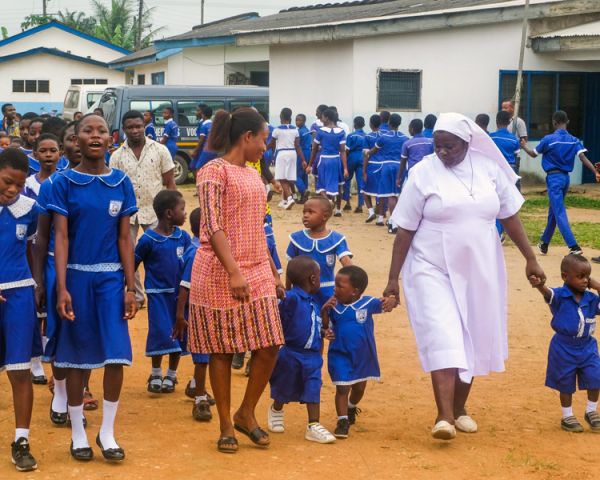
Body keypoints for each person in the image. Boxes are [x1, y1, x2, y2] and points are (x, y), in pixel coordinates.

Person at [384, 112, 545, 441]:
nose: (443, 152)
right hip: (431, 266)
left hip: (479, 267)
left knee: (474, 334)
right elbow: (405, 230)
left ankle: (460, 409)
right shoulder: (422, 172)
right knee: (444, 334)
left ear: (467, 142)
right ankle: (443, 416)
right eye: (438, 146)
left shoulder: (489, 168)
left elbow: (510, 216)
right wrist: (392, 280)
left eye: (450, 147)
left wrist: (531, 258)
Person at [188, 108, 286, 454]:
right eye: (263, 139)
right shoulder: (212, 171)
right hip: (219, 269)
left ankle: (247, 412)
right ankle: (226, 423)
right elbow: (212, 224)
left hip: (256, 265)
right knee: (222, 349)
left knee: (270, 342)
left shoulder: (254, 175)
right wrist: (233, 271)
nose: (265, 146)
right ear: (247, 137)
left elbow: (258, 227)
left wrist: (272, 271)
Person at [48, 113, 138, 462]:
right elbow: (59, 237)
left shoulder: (121, 183)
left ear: (109, 137)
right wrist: (62, 287)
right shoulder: (63, 182)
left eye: (101, 130)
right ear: (77, 138)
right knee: (77, 360)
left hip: (112, 280)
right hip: (76, 276)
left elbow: (124, 238)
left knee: (116, 356)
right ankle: (78, 433)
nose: (95, 135)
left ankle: (107, 432)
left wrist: (131, 286)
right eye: (88, 130)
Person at [109, 110, 177, 309]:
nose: (135, 130)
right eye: (130, 127)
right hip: (126, 213)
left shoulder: (160, 150)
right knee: (129, 255)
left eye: (138, 126)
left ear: (144, 127)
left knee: (162, 253)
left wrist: (172, 211)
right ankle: (138, 297)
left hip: (156, 211)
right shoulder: (116, 156)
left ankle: (164, 293)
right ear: (124, 130)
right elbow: (114, 187)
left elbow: (170, 183)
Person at [0, 148, 41, 472]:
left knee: (19, 370)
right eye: (5, 182)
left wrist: (36, 290)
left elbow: (29, 250)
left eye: (17, 184)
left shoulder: (29, 211)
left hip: (18, 295)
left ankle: (22, 440)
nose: (11, 190)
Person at [267, 256, 336, 444]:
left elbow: (310, 325)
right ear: (313, 279)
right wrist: (282, 291)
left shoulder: (312, 302)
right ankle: (276, 409)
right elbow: (281, 312)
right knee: (284, 386)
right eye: (319, 276)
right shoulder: (293, 299)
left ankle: (313, 425)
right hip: (291, 353)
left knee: (313, 387)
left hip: (312, 356)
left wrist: (322, 332)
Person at [322, 266, 396, 439]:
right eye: (335, 285)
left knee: (359, 388)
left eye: (340, 286)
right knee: (342, 387)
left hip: (363, 355)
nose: (335, 289)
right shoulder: (333, 306)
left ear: (355, 291)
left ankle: (351, 406)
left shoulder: (367, 304)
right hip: (340, 354)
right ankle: (342, 421)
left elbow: (386, 305)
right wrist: (324, 311)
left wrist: (391, 300)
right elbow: (324, 326)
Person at [529, 255, 600, 433]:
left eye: (587, 276)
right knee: (565, 382)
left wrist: (596, 285)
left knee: (595, 377)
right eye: (580, 276)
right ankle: (567, 416)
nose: (585, 280)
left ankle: (591, 411)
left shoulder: (591, 298)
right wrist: (539, 285)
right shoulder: (560, 296)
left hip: (587, 346)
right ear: (565, 276)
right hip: (563, 347)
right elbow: (547, 293)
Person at [520, 110, 600, 256]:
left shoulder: (548, 139)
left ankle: (574, 246)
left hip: (554, 179)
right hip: (565, 179)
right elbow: (582, 158)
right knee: (554, 211)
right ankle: (544, 243)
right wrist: (595, 172)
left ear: (554, 123)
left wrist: (524, 146)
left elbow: (533, 154)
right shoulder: (574, 140)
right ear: (567, 122)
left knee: (559, 212)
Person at [135, 189, 190, 394]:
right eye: (181, 209)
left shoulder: (183, 237)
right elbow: (134, 262)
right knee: (159, 332)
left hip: (180, 296)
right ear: (169, 213)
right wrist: (129, 288)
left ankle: (171, 375)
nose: (185, 213)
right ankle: (156, 372)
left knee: (179, 331)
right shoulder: (148, 239)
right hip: (158, 294)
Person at [175, 207, 215, 421]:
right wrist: (181, 316)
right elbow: (185, 286)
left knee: (205, 355)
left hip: (204, 308)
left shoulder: (197, 246)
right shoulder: (198, 251)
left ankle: (194, 385)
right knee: (202, 358)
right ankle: (199, 399)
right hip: (196, 311)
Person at [286, 197, 353, 308]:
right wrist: (288, 291)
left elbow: (348, 265)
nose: (305, 215)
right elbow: (290, 268)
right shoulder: (296, 239)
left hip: (328, 293)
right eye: (304, 212)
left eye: (311, 212)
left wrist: (348, 289)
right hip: (301, 293)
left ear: (325, 216)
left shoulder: (336, 239)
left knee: (328, 322)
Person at [369, 113, 408, 234]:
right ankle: (393, 220)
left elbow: (374, 151)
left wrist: (367, 153)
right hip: (400, 166)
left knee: (389, 195)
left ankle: (393, 222)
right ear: (399, 124)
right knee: (397, 195)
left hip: (386, 166)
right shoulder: (405, 138)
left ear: (389, 123)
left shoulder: (384, 137)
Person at [306, 108, 348, 213]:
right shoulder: (341, 132)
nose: (322, 119)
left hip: (324, 160)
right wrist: (345, 168)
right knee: (336, 184)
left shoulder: (321, 131)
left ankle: (328, 201)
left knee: (321, 185)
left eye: (323, 117)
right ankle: (335, 206)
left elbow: (314, 149)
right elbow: (342, 151)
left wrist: (310, 165)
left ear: (327, 118)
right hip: (336, 160)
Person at [270, 107, 304, 210]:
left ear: (281, 116)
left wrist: (264, 149)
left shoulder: (277, 129)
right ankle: (284, 200)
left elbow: (272, 144)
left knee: (282, 178)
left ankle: (289, 198)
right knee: (289, 177)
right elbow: (297, 145)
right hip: (293, 153)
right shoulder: (295, 130)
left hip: (282, 153)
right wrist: (303, 159)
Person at [397, 118, 434, 189]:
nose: (408, 130)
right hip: (427, 174)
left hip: (413, 175)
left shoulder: (407, 144)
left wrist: (398, 178)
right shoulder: (430, 142)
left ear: (412, 129)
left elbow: (403, 164)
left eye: (409, 128)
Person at [342, 116, 366, 213]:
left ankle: (348, 203)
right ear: (364, 125)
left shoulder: (351, 136)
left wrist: (344, 161)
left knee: (347, 179)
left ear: (354, 125)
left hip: (351, 157)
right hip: (362, 158)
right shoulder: (366, 136)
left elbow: (346, 150)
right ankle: (360, 205)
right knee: (361, 182)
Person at [362, 114, 383, 224]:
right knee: (381, 193)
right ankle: (380, 218)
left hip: (372, 165)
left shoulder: (368, 137)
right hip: (383, 166)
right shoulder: (385, 135)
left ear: (370, 124)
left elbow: (367, 155)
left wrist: (364, 170)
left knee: (365, 190)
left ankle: (371, 212)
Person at [190, 104, 217, 174]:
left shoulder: (204, 125)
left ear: (202, 114)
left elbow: (201, 140)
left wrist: (195, 151)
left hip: (205, 149)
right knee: (193, 166)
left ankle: (200, 184)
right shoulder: (211, 124)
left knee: (198, 168)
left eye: (198, 111)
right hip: (206, 149)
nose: (196, 113)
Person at [295, 114, 312, 203]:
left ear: (304, 121)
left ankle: (303, 191)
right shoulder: (307, 131)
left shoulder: (299, 132)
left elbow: (297, 145)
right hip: (308, 152)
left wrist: (302, 159)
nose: (297, 122)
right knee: (304, 175)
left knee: (296, 175)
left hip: (301, 153)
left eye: (299, 120)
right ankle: (304, 198)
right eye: (296, 120)